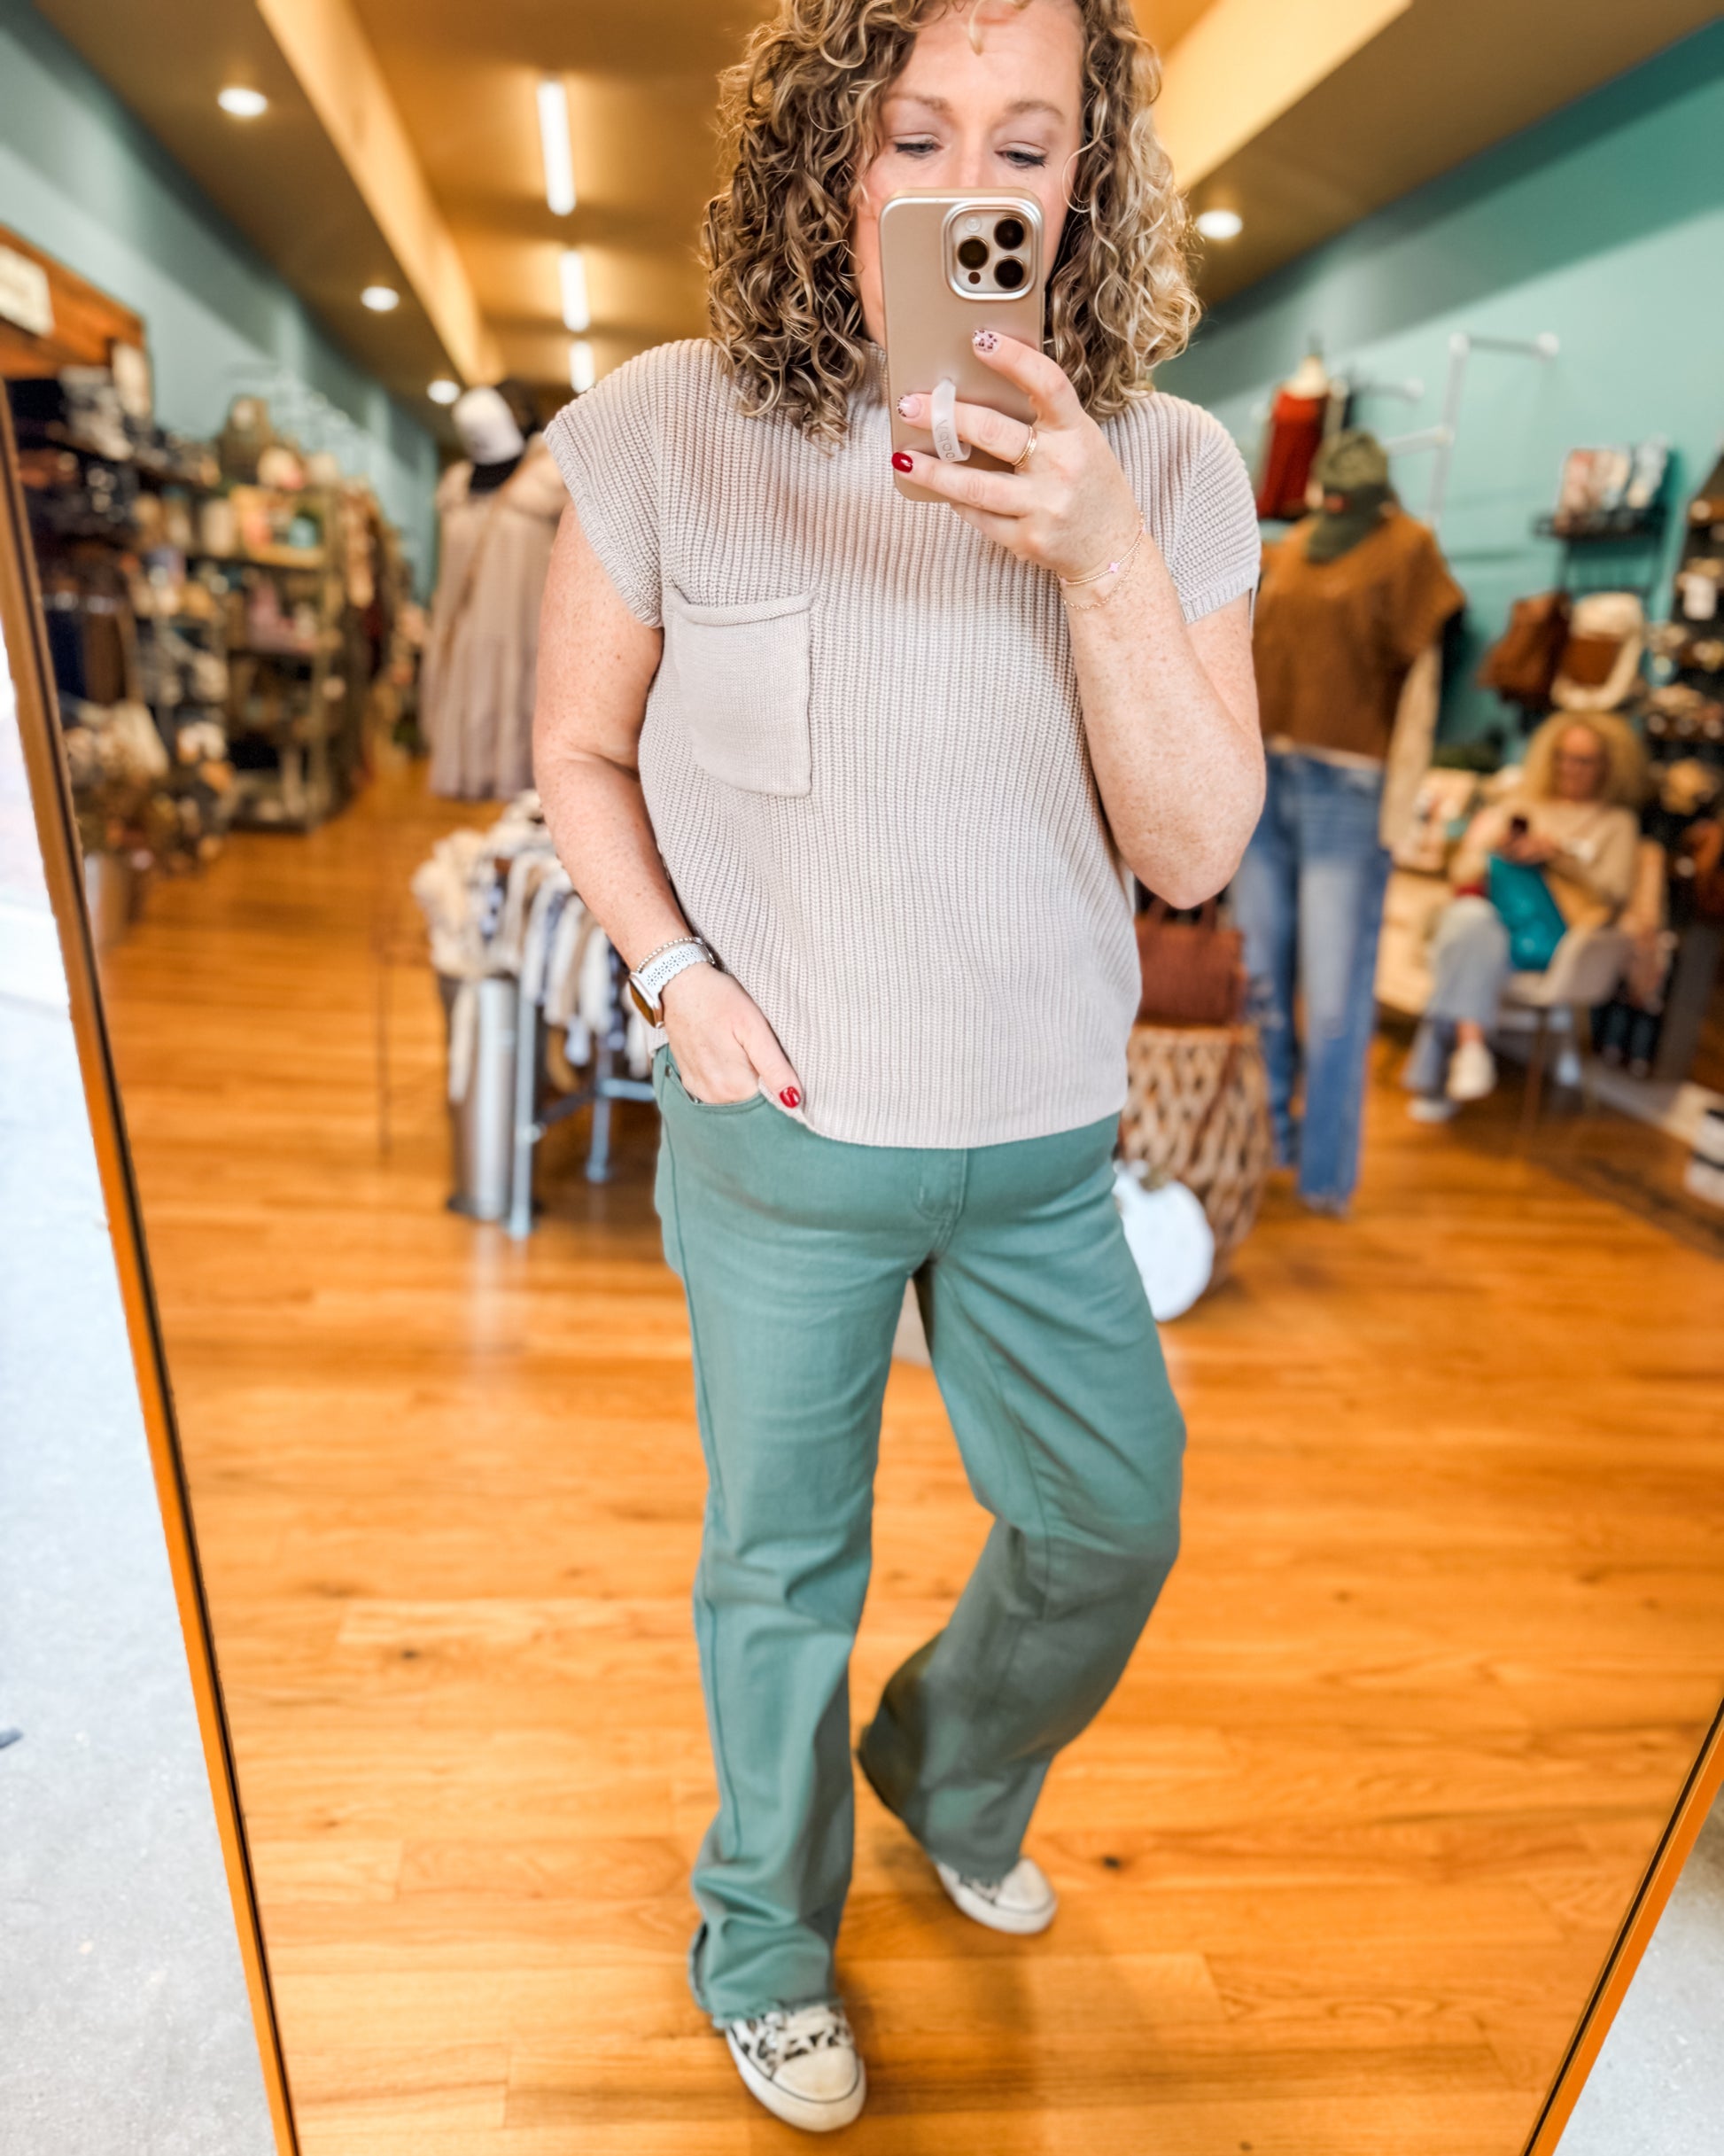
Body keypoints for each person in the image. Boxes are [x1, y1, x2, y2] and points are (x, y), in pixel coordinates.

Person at [532, 0, 1263, 2131]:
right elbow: (576, 751)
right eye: (914, 130)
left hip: (1041, 1138)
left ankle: (943, 1765)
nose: (965, 185)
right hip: (781, 1133)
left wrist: (1099, 547)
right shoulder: (672, 423)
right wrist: (675, 973)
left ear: (1082, 185)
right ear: (828, 165)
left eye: (1023, 145)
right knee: (785, 1559)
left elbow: (1197, 849)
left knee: (1110, 1516)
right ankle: (761, 1931)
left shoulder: (1180, 464)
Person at [1231, 429, 1464, 1213]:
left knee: (1332, 995)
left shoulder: (1410, 550)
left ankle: (1326, 1171)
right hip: (1263, 777)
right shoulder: (1293, 545)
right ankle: (1267, 1144)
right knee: (1259, 979)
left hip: (1348, 790)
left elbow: (1428, 673)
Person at [1403, 712, 1645, 1114]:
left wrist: (1557, 857)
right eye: (1563, 756)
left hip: (1557, 938)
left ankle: (1434, 1083)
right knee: (1469, 922)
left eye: (1584, 760)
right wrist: (1491, 847)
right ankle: (1471, 1048)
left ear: (1608, 765)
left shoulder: (1616, 823)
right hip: (1494, 925)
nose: (1570, 768)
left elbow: (1615, 892)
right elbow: (1462, 873)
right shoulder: (1517, 805)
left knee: (1463, 940)